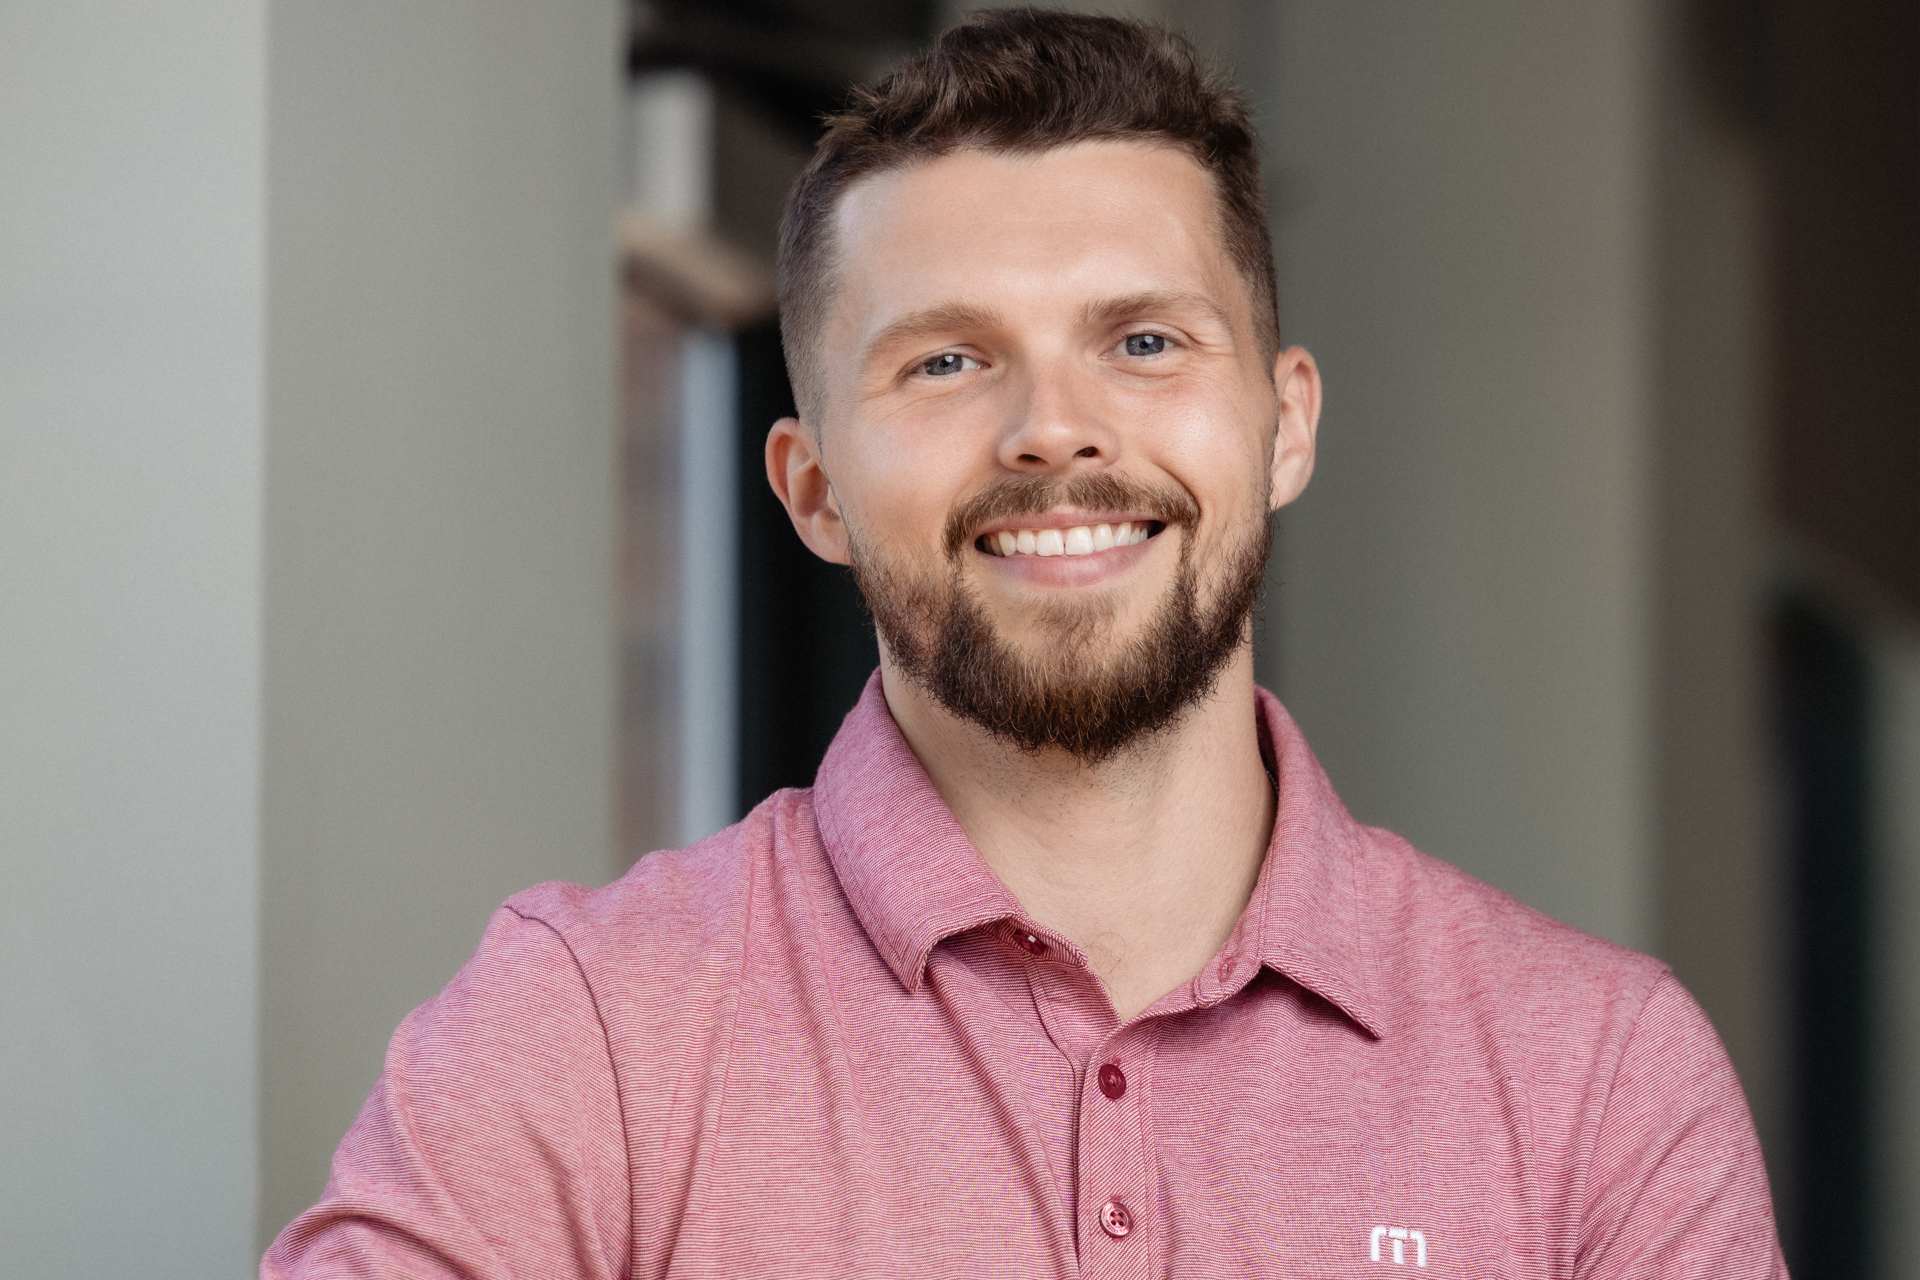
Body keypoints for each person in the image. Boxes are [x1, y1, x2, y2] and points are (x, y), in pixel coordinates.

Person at [265, 10, 1786, 1277]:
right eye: (945, 359)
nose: (1054, 429)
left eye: (1143, 341)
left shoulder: (1597, 1078)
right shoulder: (587, 1031)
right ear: (812, 490)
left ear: (1286, 421)